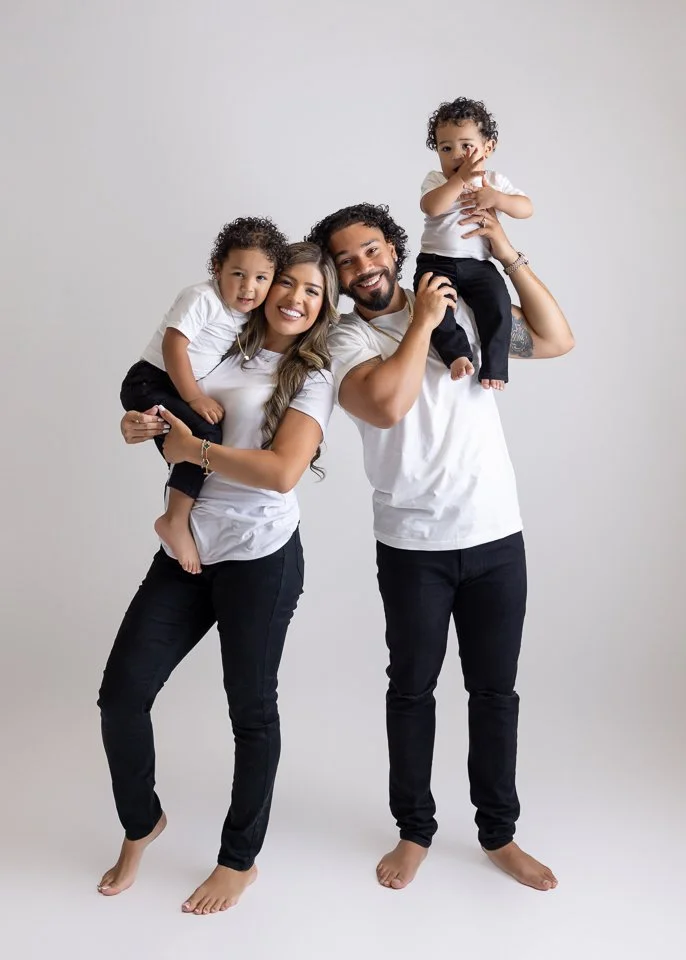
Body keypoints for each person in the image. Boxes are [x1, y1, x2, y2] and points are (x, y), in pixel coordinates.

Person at [306, 203, 573, 892]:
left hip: (495, 535)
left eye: (372, 250)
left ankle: (499, 834)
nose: (364, 266)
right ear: (336, 274)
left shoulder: (462, 302)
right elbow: (387, 405)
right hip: (412, 544)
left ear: (395, 249)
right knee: (412, 690)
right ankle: (415, 830)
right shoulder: (343, 341)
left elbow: (555, 338)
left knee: (495, 692)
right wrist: (423, 321)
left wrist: (507, 254)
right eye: (346, 260)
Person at [99, 242, 338, 915]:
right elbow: (170, 413)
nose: (293, 298)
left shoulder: (314, 373)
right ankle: (142, 824)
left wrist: (192, 448)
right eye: (284, 284)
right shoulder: (223, 340)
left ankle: (239, 860)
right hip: (189, 550)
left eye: (311, 292)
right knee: (121, 697)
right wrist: (139, 424)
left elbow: (284, 472)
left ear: (323, 307)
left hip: (261, 554)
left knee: (251, 711)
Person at [120, 217, 288, 574]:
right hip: (152, 380)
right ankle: (174, 521)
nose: (249, 287)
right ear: (217, 269)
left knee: (192, 448)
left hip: (167, 385)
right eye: (238, 274)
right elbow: (174, 345)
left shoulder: (251, 316)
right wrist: (194, 397)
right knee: (202, 437)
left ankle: (180, 517)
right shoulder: (203, 297)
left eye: (262, 278)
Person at [417, 97, 533, 390]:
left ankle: (495, 366)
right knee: (437, 310)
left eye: (466, 146)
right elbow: (431, 207)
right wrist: (459, 182)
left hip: (479, 264)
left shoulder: (493, 180)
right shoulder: (436, 181)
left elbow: (526, 208)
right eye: (446, 148)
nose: (457, 155)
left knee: (498, 304)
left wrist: (497, 199)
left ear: (488, 148)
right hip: (436, 261)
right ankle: (456, 355)